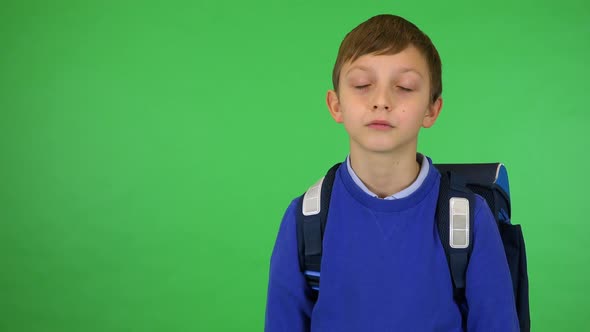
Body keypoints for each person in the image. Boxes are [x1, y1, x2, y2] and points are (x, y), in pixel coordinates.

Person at [265, 14, 519, 331]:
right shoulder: (305, 219)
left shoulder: (469, 220)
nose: (382, 101)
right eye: (362, 85)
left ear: (432, 109)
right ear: (335, 105)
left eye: (404, 87)